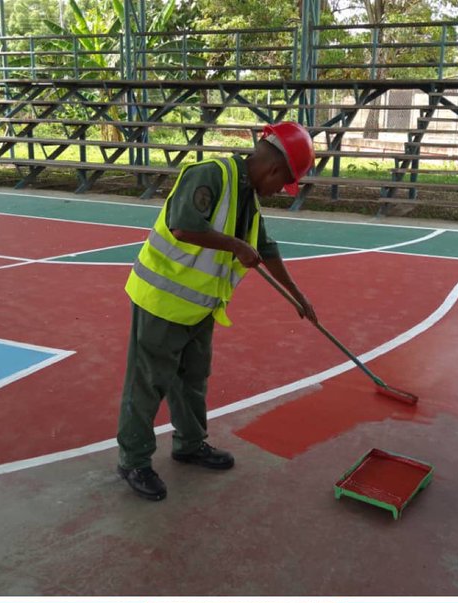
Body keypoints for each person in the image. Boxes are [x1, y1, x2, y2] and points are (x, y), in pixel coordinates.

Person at [116, 121, 318, 501]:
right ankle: (134, 460)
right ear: (274, 170)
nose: (279, 192)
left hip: (200, 307)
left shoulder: (248, 199)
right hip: (162, 301)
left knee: (192, 377)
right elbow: (182, 226)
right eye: (284, 184)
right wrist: (233, 245)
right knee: (148, 382)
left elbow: (266, 247)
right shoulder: (210, 175)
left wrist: (297, 295)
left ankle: (190, 443)